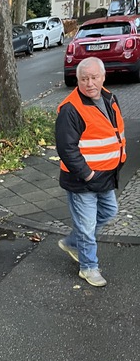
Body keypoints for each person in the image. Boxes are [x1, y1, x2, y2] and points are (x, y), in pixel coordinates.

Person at [55, 57, 126, 287]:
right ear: (77, 80)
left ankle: (74, 242)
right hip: (83, 179)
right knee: (86, 225)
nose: (90, 83)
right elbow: (66, 148)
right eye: (84, 78)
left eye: (94, 77)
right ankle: (88, 267)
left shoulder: (109, 98)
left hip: (105, 176)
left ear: (103, 77)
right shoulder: (70, 109)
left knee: (109, 211)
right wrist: (87, 174)